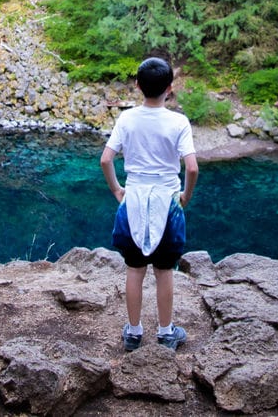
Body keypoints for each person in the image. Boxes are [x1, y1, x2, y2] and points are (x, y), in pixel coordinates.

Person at [100, 57, 198, 352]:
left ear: (138, 86)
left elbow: (106, 159)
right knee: (165, 271)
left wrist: (118, 190)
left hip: (133, 201)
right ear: (169, 89)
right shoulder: (178, 122)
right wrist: (185, 196)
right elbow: (191, 168)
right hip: (167, 202)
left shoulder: (127, 119)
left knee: (134, 268)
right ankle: (166, 333)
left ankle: (133, 333)